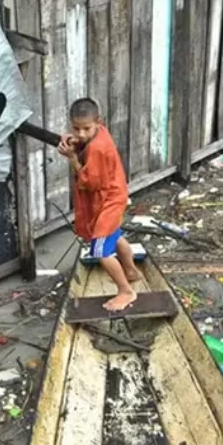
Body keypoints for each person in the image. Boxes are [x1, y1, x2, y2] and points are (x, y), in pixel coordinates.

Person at [57, 97, 140, 310]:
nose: (81, 134)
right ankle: (130, 271)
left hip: (108, 200)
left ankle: (126, 291)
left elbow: (90, 183)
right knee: (115, 235)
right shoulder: (100, 133)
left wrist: (73, 158)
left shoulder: (97, 149)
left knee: (100, 251)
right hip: (115, 194)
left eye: (86, 129)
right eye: (76, 129)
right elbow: (86, 142)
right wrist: (77, 142)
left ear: (98, 121)